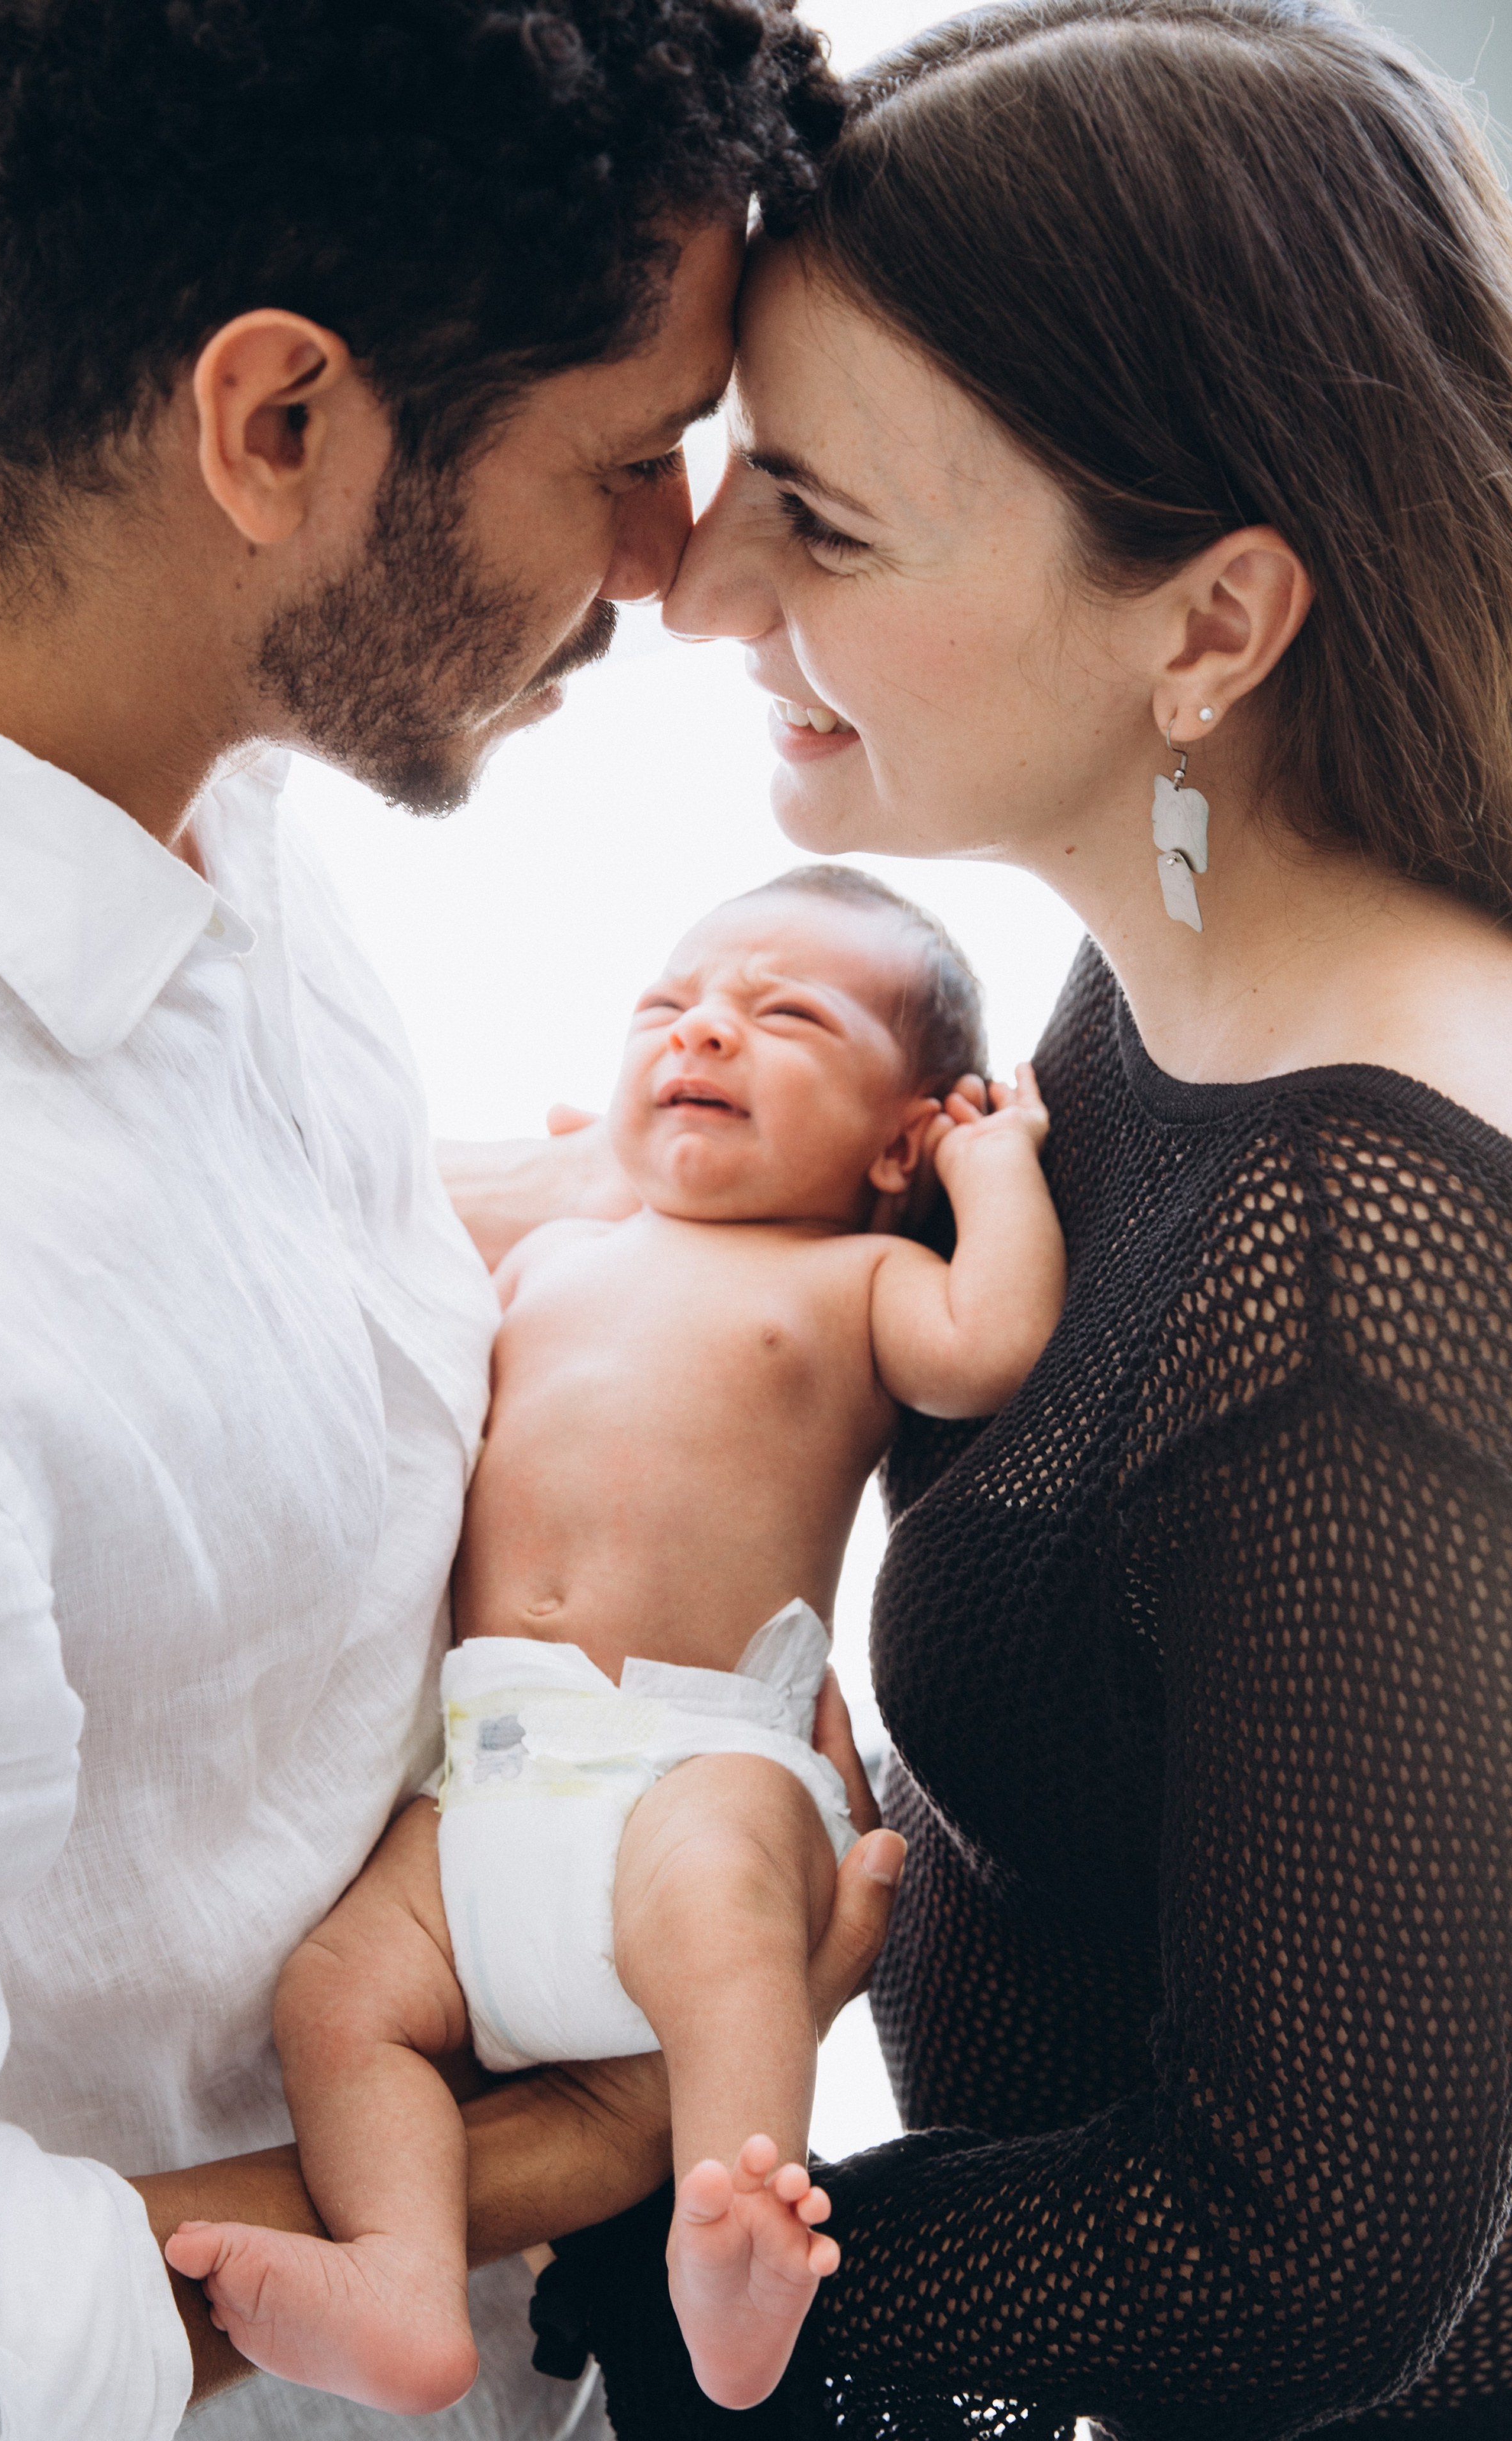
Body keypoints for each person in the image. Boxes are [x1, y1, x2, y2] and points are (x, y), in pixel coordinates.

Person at [0, 6, 909, 2440]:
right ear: (277, 425)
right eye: (630, 462)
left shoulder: (166, 733)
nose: (678, 575)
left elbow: (196, 1284)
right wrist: (586, 2145)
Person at [504, 3, 1512, 2436]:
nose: (703, 581)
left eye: (823, 521)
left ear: (1210, 629)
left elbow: (1299, 2258)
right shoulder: (1176, 970)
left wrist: (650, 2277)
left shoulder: (1365, 1282)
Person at [161, 865, 1065, 2415]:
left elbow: (989, 1347)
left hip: (697, 1750)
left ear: (899, 1137)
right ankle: (398, 2275)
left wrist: (995, 1175)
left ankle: (732, 2239)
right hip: (486, 1782)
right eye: (667, 1007)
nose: (702, 1030)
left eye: (780, 1015)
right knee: (333, 1997)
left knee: (722, 1911)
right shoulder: (548, 1260)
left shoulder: (855, 1278)